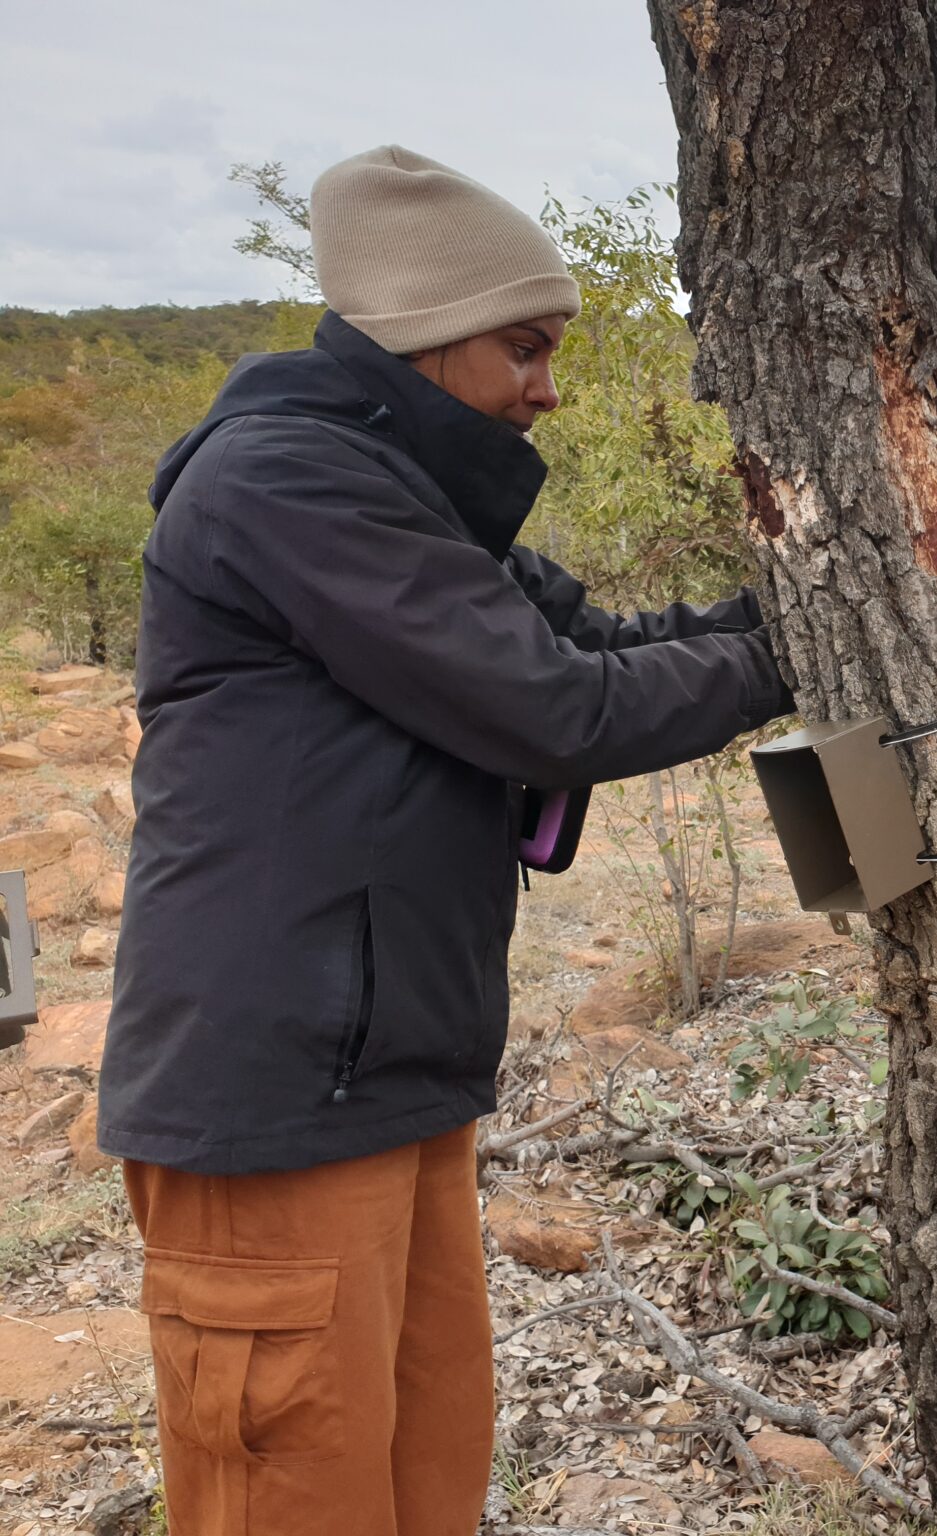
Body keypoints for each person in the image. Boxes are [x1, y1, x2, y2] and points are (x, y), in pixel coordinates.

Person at [96, 146, 791, 1536]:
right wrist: (797, 651)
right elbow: (555, 705)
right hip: (274, 1100)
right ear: (421, 337)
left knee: (420, 1483)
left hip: (390, 1078)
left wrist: (800, 603)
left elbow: (596, 642)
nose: (548, 385)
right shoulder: (287, 484)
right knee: (293, 1497)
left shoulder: (402, 488)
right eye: (523, 347)